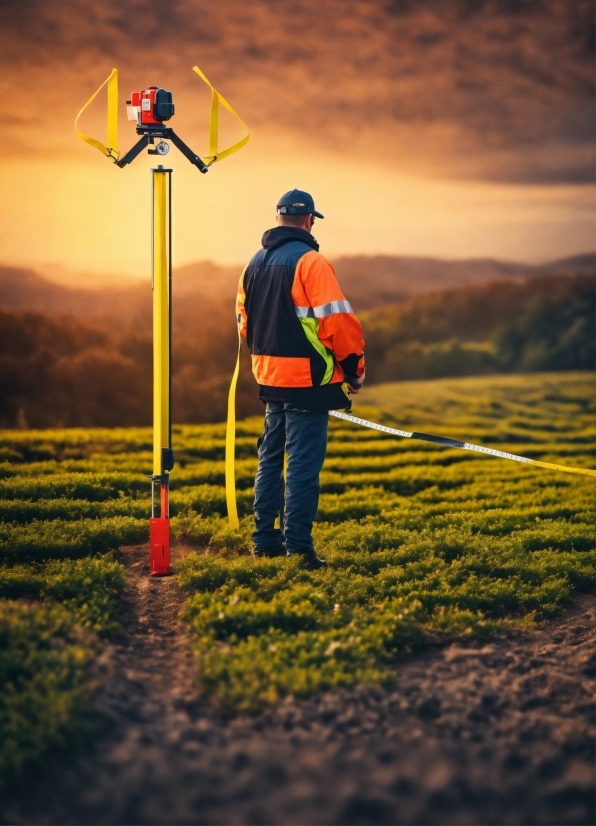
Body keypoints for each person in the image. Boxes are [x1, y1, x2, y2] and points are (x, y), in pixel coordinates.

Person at [236, 189, 365, 568]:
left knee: (270, 460)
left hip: (269, 377)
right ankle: (299, 549)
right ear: (309, 220)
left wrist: (268, 359)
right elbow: (338, 323)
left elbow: (243, 322)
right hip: (309, 382)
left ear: (278, 219)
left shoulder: (253, 264)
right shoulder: (312, 263)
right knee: (303, 466)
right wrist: (354, 370)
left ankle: (264, 541)